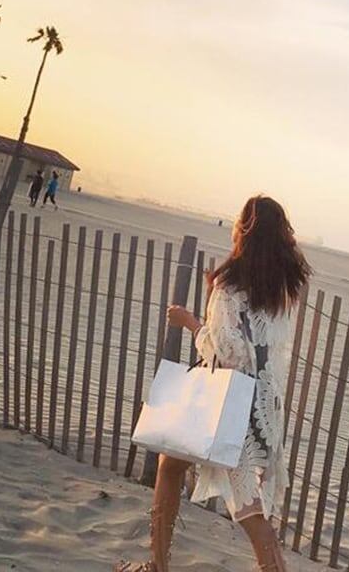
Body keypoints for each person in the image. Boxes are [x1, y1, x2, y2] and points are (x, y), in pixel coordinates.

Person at [115, 195, 311, 572]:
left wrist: (190, 322)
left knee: (249, 509)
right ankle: (157, 564)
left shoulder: (228, 283)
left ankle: (160, 565)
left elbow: (228, 351)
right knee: (171, 465)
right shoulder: (282, 289)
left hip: (231, 404)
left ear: (245, 231)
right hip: (263, 403)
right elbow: (263, 348)